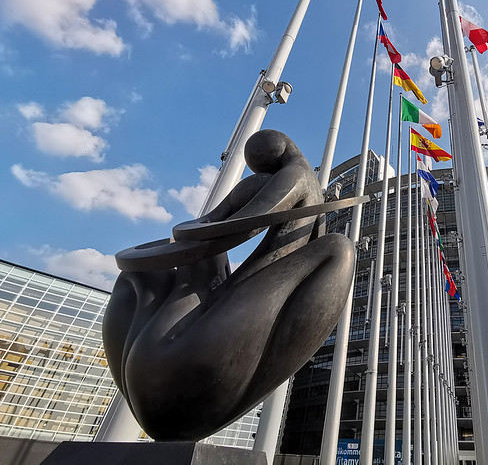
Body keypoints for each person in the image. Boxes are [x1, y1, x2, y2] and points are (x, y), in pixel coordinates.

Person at [102, 130, 354, 440]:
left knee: (336, 248)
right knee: (338, 250)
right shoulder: (300, 175)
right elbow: (234, 226)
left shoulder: (296, 175)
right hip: (174, 370)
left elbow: (223, 227)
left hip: (160, 373)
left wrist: (181, 243)